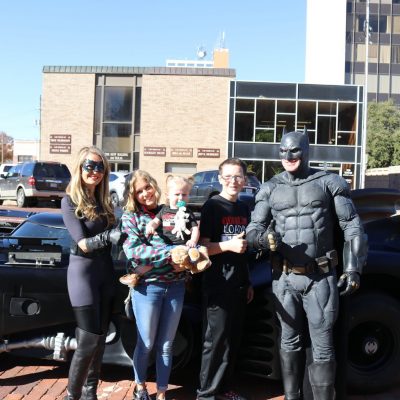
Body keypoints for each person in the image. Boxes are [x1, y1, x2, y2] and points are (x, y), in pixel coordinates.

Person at [246, 130, 368, 400]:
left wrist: (352, 267)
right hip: (284, 278)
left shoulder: (329, 182)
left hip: (320, 276)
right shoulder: (269, 188)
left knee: (323, 346)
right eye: (283, 151)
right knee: (288, 340)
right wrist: (265, 240)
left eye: (294, 151)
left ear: (306, 151)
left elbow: (353, 227)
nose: (288, 156)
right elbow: (253, 231)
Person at [61, 146, 125, 400]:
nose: (95, 171)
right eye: (90, 165)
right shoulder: (70, 201)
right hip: (83, 274)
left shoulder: (105, 201)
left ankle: (90, 394)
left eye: (101, 167)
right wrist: (109, 235)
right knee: (87, 340)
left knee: (99, 341)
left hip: (105, 273)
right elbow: (83, 243)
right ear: (80, 167)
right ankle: (72, 396)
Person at [120, 170, 187, 400]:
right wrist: (171, 254)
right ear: (133, 195)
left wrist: (185, 259)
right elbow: (135, 252)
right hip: (148, 289)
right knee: (146, 343)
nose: (145, 193)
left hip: (176, 286)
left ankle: (161, 392)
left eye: (147, 186)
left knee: (166, 345)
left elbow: (185, 241)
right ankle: (140, 386)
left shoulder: (167, 210)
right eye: (139, 191)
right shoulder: (130, 217)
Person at [197, 157, 254, 400]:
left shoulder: (243, 208)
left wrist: (248, 281)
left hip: (239, 284)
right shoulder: (212, 206)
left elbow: (244, 249)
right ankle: (206, 394)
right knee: (215, 341)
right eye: (228, 176)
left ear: (244, 180)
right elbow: (201, 248)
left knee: (232, 340)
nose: (233, 181)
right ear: (221, 179)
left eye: (238, 176)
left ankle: (224, 389)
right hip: (217, 285)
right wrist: (228, 245)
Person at [145, 175, 199, 248]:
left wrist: (193, 240)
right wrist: (151, 226)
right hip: (166, 244)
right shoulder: (164, 210)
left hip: (183, 244)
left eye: (184, 195)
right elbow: (155, 221)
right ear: (168, 195)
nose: (180, 198)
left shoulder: (187, 212)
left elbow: (195, 229)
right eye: (177, 194)